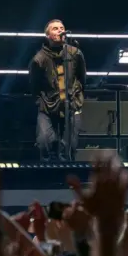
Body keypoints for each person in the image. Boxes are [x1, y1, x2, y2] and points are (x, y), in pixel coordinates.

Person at [29, 19, 86, 161]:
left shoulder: (75, 53)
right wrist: (40, 102)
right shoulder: (39, 59)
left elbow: (82, 77)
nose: (60, 30)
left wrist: (78, 98)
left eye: (62, 27)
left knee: (70, 147)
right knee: (44, 142)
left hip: (71, 105)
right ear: (47, 35)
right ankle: (47, 171)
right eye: (55, 28)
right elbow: (34, 85)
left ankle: (67, 171)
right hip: (47, 106)